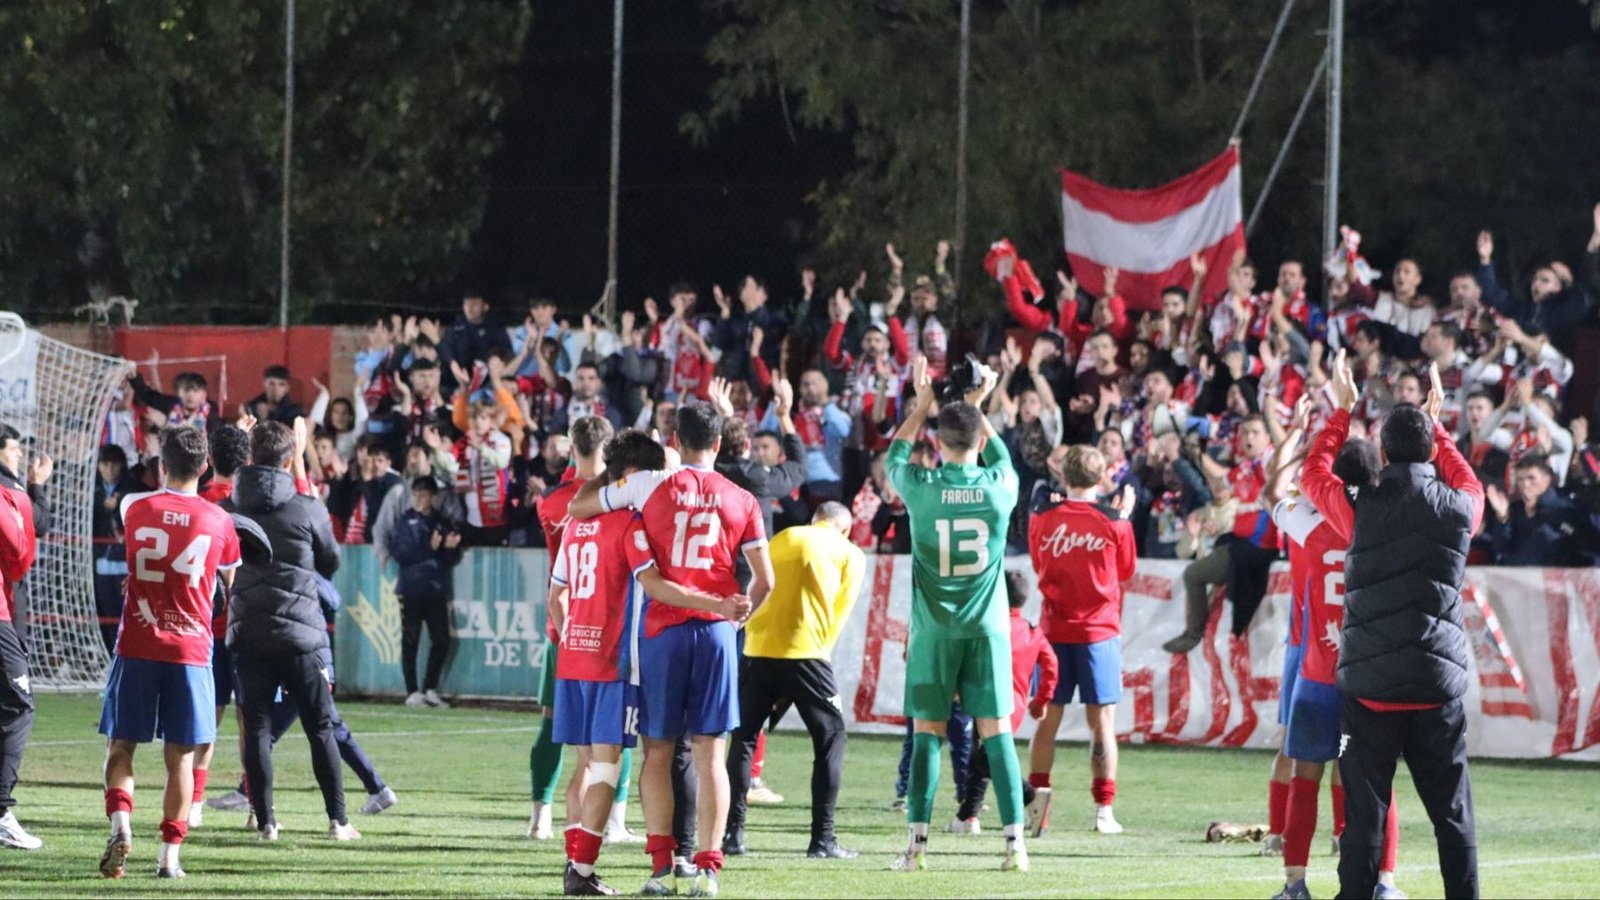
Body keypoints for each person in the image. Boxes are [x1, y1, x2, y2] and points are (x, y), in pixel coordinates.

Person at [567, 405, 773, 899]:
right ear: (720, 444)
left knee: (657, 752)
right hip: (716, 632)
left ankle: (661, 870)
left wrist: (609, 476)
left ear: (675, 440)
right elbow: (765, 580)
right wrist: (736, 617)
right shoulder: (743, 499)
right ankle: (709, 870)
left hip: (662, 632)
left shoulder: (649, 483)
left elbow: (579, 507)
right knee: (711, 755)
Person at [1302, 353, 1483, 900]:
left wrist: (1342, 410)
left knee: (1365, 815)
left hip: (1371, 690)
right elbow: (1468, 481)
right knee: (1452, 815)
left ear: (1381, 452)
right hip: (1435, 685)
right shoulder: (1460, 507)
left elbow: (1313, 475)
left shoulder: (1359, 506)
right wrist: (1439, 428)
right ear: (1430, 451)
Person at [886, 355, 1029, 874]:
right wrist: (977, 405)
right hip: (987, 629)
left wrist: (922, 403)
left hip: (934, 630)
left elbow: (894, 455)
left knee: (928, 731)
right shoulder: (999, 486)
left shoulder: (921, 489)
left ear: (938, 441)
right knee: (998, 732)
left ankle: (917, 848)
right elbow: (1002, 456)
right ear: (976, 439)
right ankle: (1016, 847)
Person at [1264, 399, 1403, 900]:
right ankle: (1384, 881)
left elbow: (1277, 494)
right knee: (1377, 781)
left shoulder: (1307, 523)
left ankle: (1295, 884)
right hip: (1370, 675)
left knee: (1306, 777)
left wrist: (1330, 420)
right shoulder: (1390, 529)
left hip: (1318, 674)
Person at [98, 426, 242, 878]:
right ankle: (169, 859)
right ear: (205, 466)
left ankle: (121, 827)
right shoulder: (220, 521)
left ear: (161, 465)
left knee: (121, 745)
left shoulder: (133, 506)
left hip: (137, 645)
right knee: (180, 757)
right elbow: (227, 586)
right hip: (191, 650)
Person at [546, 430, 666, 896]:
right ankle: (580, 871)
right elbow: (651, 585)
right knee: (607, 770)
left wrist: (571, 638)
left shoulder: (576, 524)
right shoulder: (630, 523)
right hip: (612, 663)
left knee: (585, 767)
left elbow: (555, 597)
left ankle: (574, 862)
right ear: (632, 476)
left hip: (573, 657)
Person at [226, 420, 357, 843]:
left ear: (250, 457)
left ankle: (266, 822)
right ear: (289, 460)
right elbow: (330, 562)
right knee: (320, 727)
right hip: (301, 635)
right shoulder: (307, 507)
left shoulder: (230, 507)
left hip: (248, 631)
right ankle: (338, 821)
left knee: (257, 728)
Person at [724, 502, 865, 860]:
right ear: (845, 528)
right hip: (807, 651)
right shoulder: (849, 553)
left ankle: (732, 835)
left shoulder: (783, 537)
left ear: (814, 520)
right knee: (831, 738)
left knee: (743, 739)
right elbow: (838, 613)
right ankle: (822, 840)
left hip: (757, 649)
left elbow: (760, 585)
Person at [1025, 445, 1137, 838]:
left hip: (1054, 631)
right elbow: (1126, 570)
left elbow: (1038, 564)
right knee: (1101, 721)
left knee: (1047, 719)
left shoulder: (1042, 517)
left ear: (1063, 476)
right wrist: (1125, 516)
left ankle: (1036, 810)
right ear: (1101, 476)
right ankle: (1104, 810)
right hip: (1098, 633)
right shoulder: (1114, 521)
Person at [532, 417, 635, 844]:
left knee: (556, 729)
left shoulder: (554, 503)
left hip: (565, 631)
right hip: (609, 632)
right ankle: (613, 823)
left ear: (570, 448)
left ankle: (541, 818)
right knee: (613, 739)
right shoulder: (623, 507)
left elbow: (556, 588)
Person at [952, 571, 1058, 835]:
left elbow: (966, 658)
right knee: (982, 757)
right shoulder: (1032, 631)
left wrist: (957, 687)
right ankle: (968, 818)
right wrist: (1041, 700)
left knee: (988, 758)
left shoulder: (988, 625)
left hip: (986, 700)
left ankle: (1030, 796)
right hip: (1016, 705)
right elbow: (1051, 664)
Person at [385, 477, 462, 707]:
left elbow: (449, 559)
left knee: (441, 640)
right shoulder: (405, 520)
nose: (418, 499)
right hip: (411, 589)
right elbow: (401, 554)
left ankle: (430, 688)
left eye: (424, 494)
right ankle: (412, 691)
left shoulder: (441, 522)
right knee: (411, 640)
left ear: (433, 497)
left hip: (436, 589)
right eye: (416, 494)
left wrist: (451, 548)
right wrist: (429, 547)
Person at [0, 430, 40, 851]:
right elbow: (19, 555)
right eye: (14, 448)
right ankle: (0, 812)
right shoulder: (9, 497)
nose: (20, 454)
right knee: (19, 703)